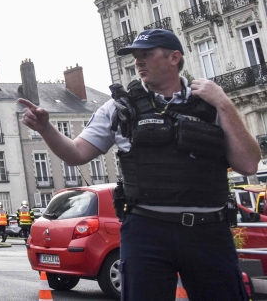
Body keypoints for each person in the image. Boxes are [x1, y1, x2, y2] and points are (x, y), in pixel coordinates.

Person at [18, 29, 259, 301]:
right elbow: (76, 153)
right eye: (136, 57)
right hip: (146, 231)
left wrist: (225, 104)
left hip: (208, 231)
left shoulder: (211, 103)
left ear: (174, 57)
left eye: (147, 54)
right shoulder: (119, 108)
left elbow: (249, 164)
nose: (138, 62)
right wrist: (46, 128)